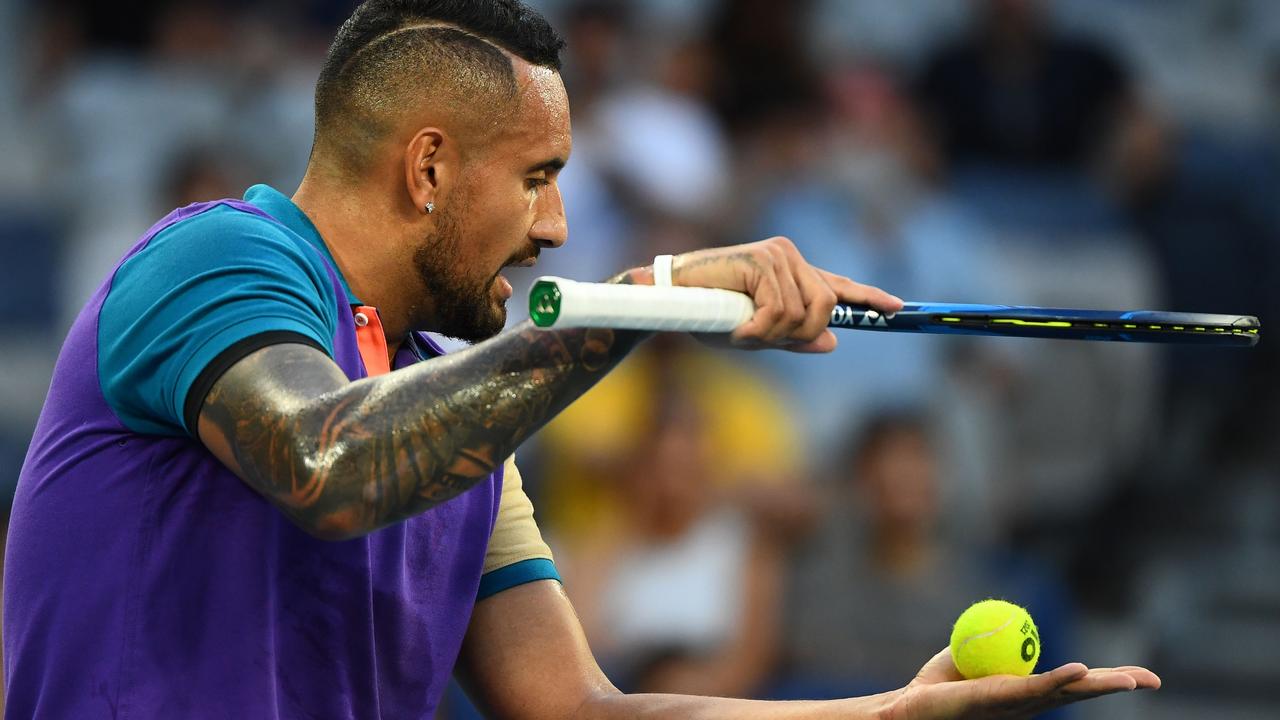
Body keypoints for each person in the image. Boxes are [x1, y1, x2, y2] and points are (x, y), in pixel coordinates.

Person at [4, 1, 1158, 718]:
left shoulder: (452, 418)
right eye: (537, 176)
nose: (555, 226)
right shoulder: (214, 261)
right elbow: (330, 465)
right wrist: (646, 300)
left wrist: (876, 719)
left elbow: (575, 709)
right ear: (427, 169)